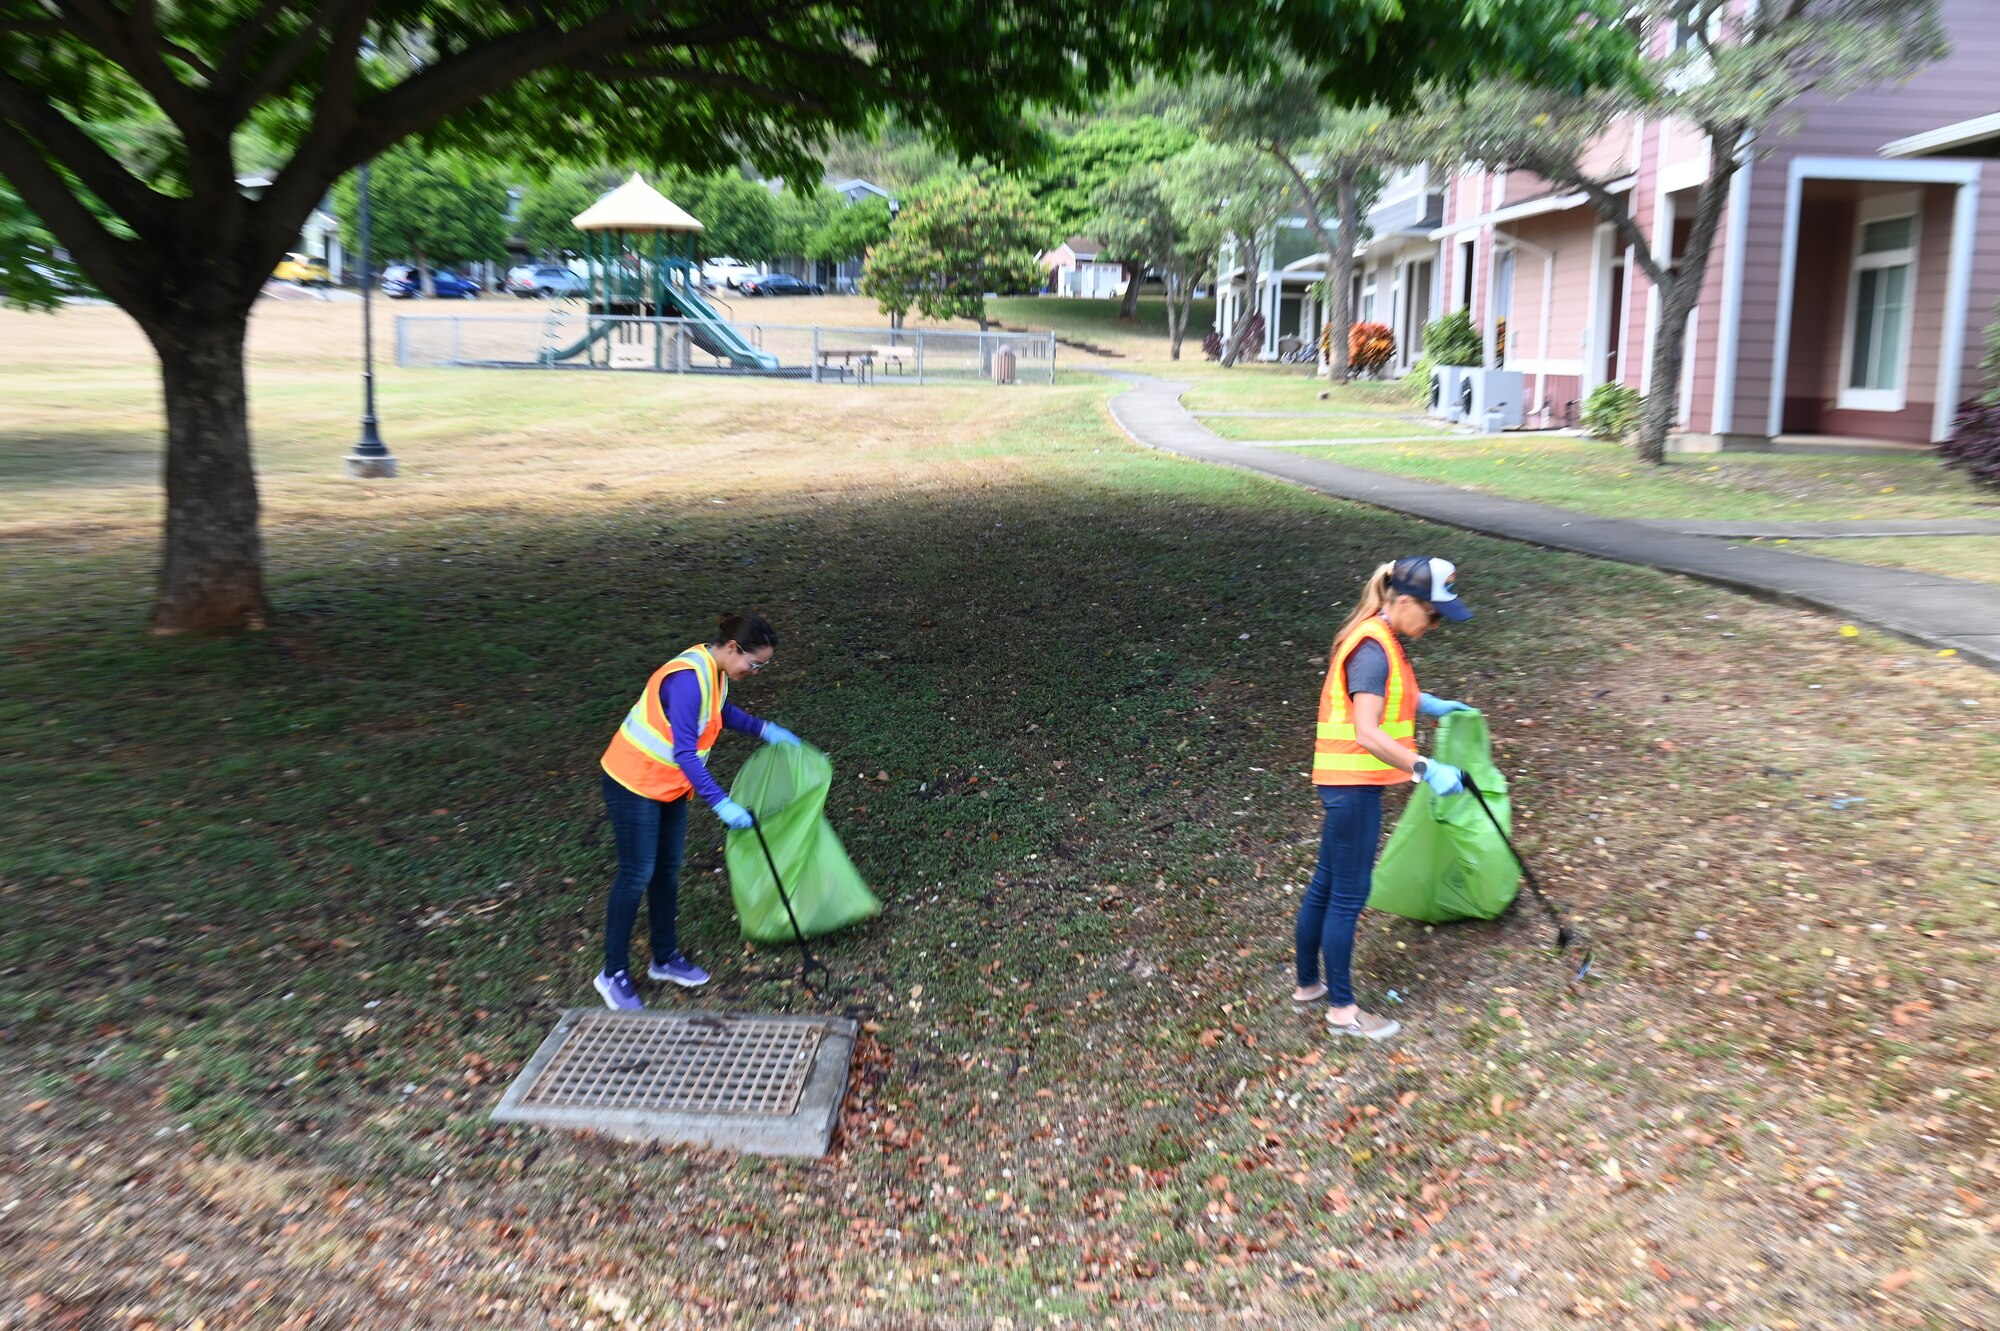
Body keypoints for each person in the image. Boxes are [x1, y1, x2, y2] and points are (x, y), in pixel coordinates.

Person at [1295, 557, 1475, 1041]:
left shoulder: (1381, 637)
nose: (1436, 624)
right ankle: (1342, 1012)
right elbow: (1368, 732)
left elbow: (1386, 694)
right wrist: (1425, 769)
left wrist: (1429, 703)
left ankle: (1308, 985)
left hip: (1344, 783)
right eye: (1433, 615)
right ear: (1402, 602)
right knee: (1348, 895)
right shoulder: (1374, 646)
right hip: (1352, 787)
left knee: (1326, 885)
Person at [593, 612, 803, 1010]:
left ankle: (664, 957)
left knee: (667, 871)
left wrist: (764, 729)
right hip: (633, 783)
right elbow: (685, 752)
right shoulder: (688, 679)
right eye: (754, 663)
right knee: (637, 872)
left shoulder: (715, 672)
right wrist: (721, 802)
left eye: (763, 666)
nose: (756, 671)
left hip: (668, 785)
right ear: (732, 648)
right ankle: (613, 972)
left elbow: (718, 714)